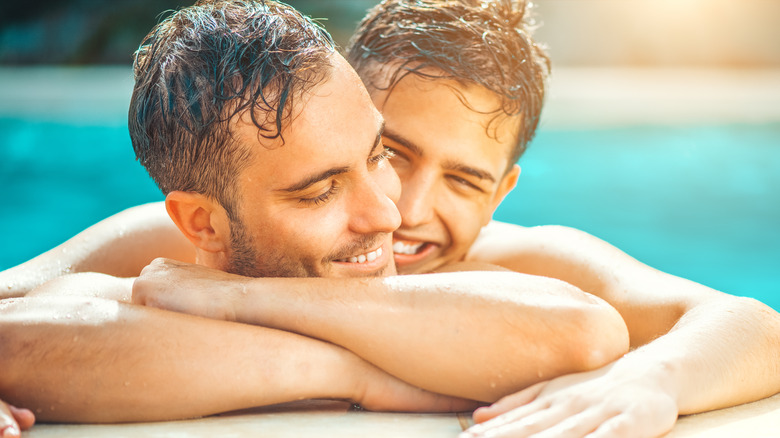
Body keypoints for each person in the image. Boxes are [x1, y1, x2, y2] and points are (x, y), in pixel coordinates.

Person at [4, 1, 779, 437]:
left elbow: (750, 324)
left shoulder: (523, 266)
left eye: (464, 181)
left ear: (503, 191)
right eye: (388, 152)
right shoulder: (175, 242)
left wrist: (659, 374)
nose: (400, 210)